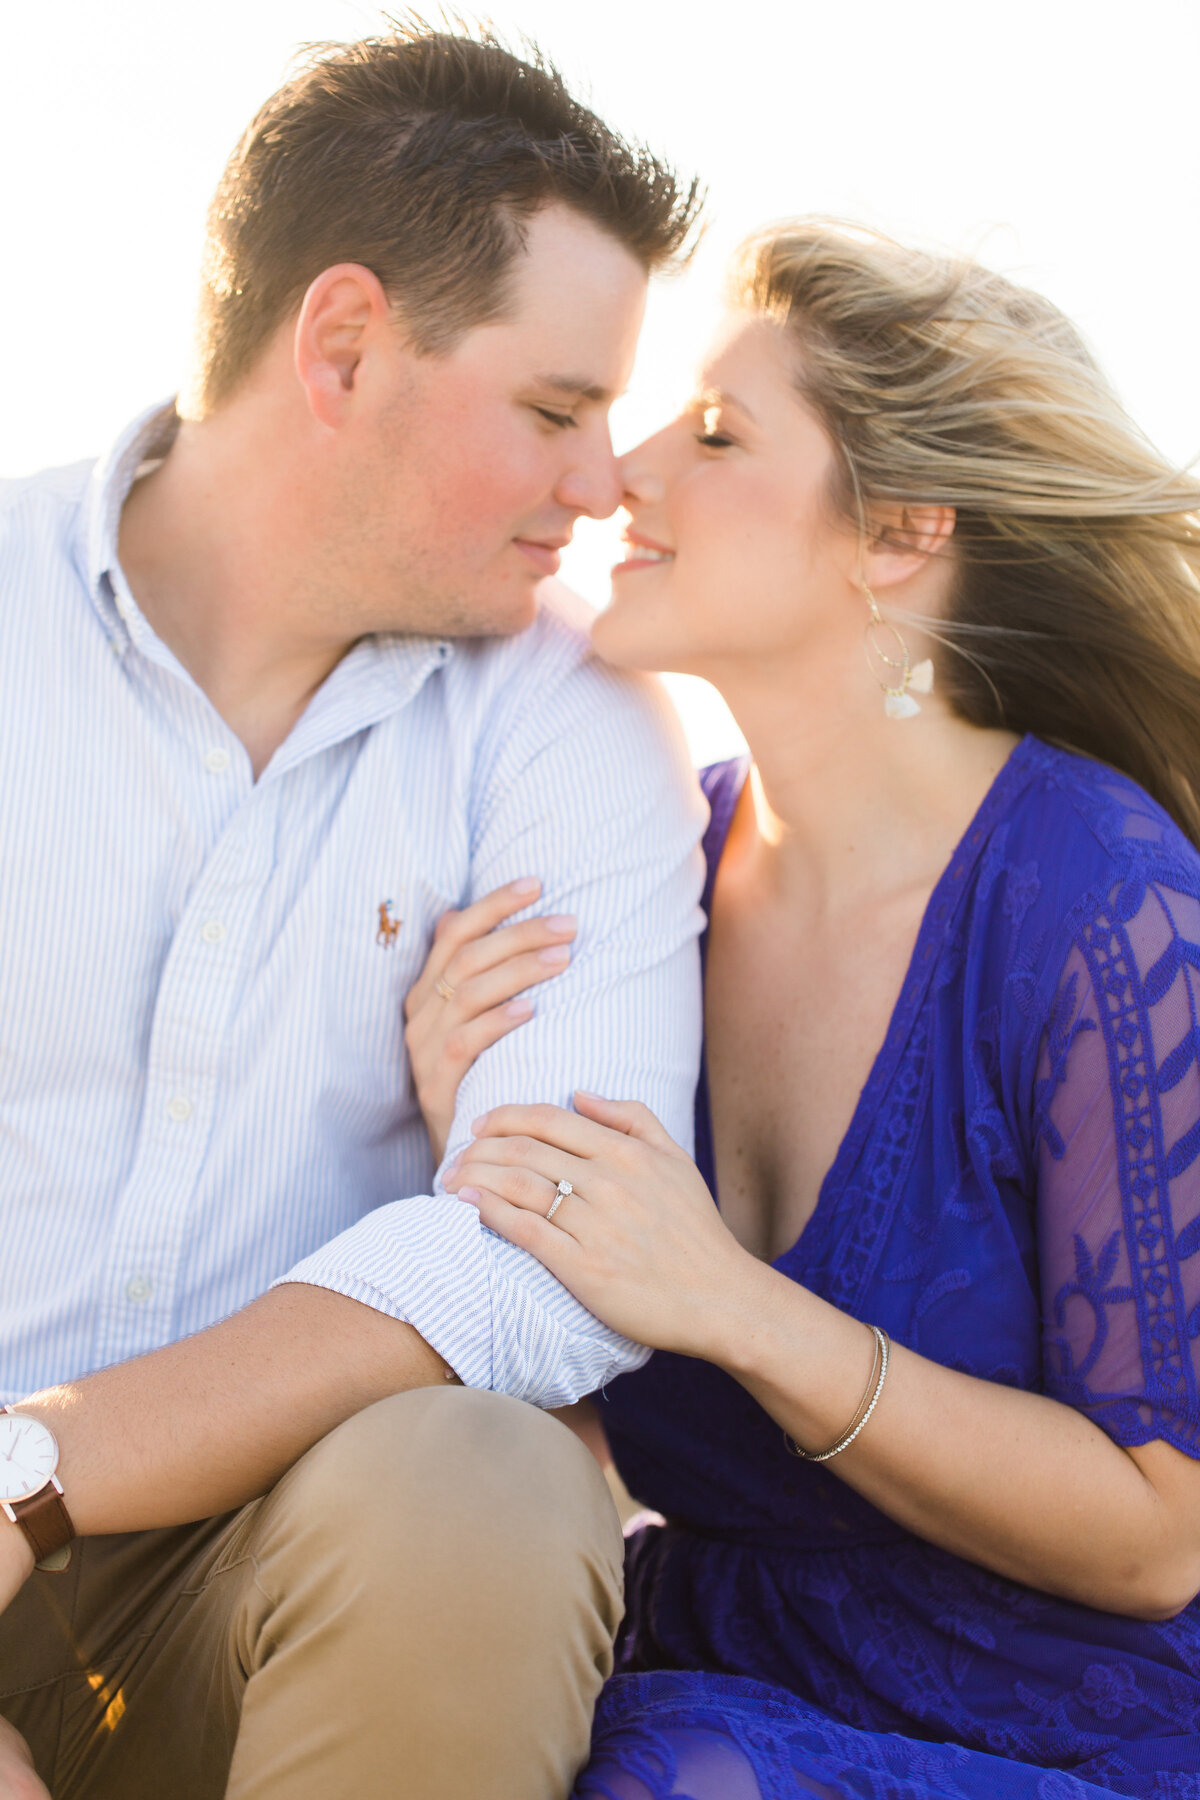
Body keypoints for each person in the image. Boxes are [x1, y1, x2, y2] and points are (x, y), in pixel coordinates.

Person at [0, 21, 707, 1800]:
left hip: (268, 1566)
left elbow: (558, 1248)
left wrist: (34, 1468)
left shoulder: (570, 722)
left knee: (485, 1479)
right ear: (340, 345)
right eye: (554, 409)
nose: (605, 483)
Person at [438, 223, 1200, 1797]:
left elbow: (1159, 1534)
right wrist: (469, 1134)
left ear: (902, 532)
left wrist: (739, 1305)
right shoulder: (648, 869)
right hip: (697, 1671)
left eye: (713, 434)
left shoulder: (1103, 902)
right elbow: (583, 1425)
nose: (618, 469)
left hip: (1056, 1723)